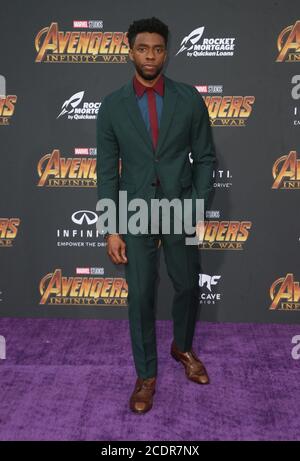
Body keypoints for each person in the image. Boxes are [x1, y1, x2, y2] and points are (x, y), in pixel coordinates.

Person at [96, 17, 216, 414]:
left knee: (186, 286)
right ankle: (146, 375)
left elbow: (205, 158)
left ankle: (182, 347)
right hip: (133, 213)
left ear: (168, 51)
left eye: (158, 48)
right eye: (143, 48)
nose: (151, 55)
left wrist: (197, 204)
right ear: (130, 50)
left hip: (180, 208)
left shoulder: (189, 99)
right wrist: (111, 227)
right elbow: (106, 171)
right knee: (141, 297)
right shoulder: (112, 106)